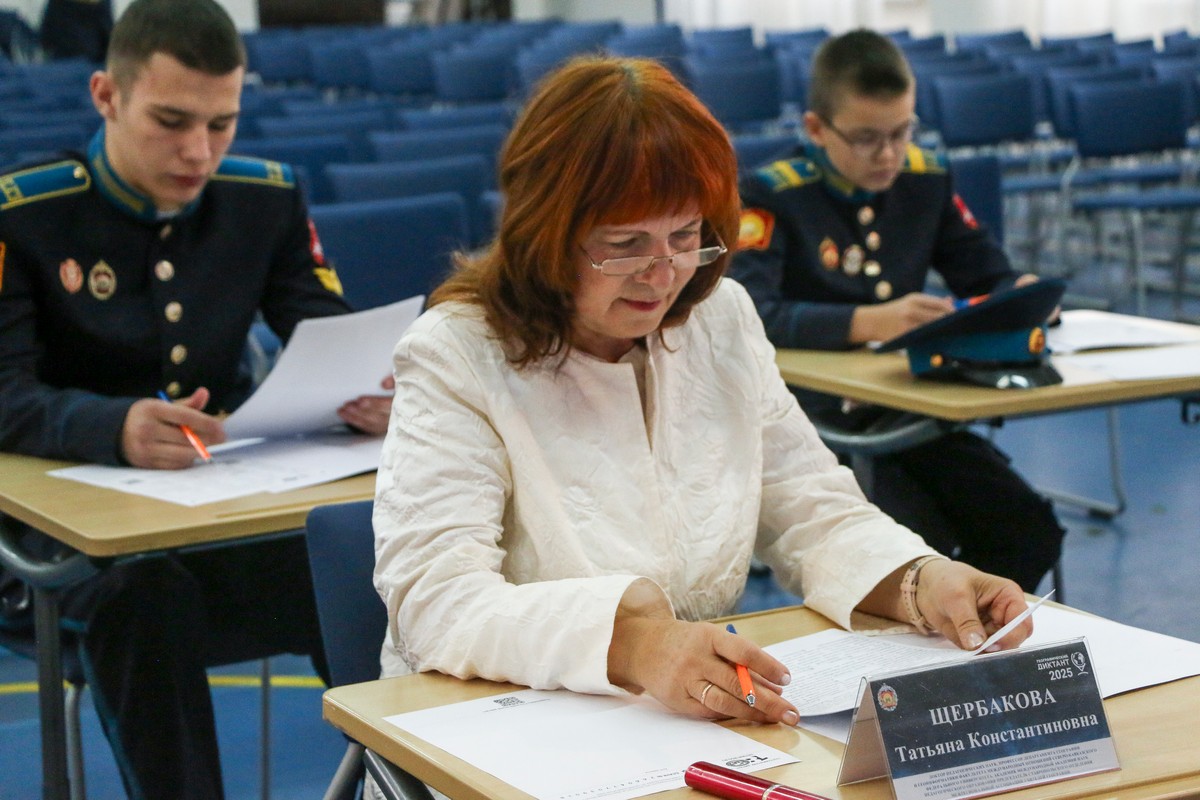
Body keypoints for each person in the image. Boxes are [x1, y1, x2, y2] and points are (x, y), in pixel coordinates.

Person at [372, 55, 1033, 733]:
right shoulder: (457, 351)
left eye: (686, 236)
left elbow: (811, 507)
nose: (663, 275)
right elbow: (436, 602)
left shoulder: (720, 320)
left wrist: (920, 580)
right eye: (626, 244)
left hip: (681, 725)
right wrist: (634, 646)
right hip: (498, 729)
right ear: (546, 235)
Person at [0, 1, 390, 797]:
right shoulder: (24, 215)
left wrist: (365, 386)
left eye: (222, 124)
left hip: (218, 515)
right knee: (146, 597)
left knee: (362, 558)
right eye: (171, 122)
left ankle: (403, 778)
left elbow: (324, 328)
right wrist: (111, 426)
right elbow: (4, 393)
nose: (199, 151)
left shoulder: (264, 200)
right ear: (107, 96)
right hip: (62, 552)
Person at [728, 29, 1064, 593]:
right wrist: (867, 322)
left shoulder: (925, 180)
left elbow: (984, 273)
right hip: (818, 419)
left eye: (901, 132)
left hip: (911, 404)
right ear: (816, 129)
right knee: (913, 547)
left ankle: (978, 634)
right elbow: (750, 313)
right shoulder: (772, 194)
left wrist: (1019, 294)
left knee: (1026, 530)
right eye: (865, 138)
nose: (888, 154)